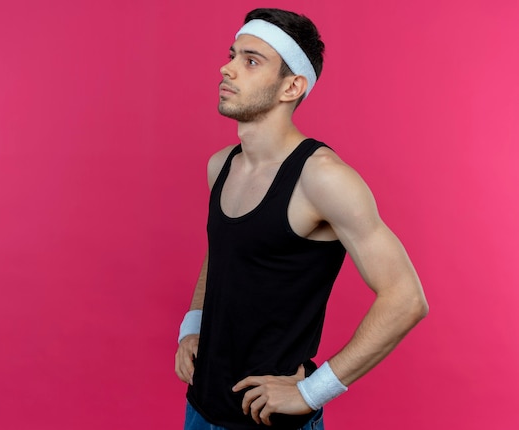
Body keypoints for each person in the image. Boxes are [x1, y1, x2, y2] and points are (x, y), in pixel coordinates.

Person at [174, 8, 428, 430]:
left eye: (251, 61)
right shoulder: (221, 165)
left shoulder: (323, 178)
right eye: (233, 54)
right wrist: (193, 324)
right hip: (201, 405)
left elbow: (406, 298)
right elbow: (221, 250)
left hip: (271, 418)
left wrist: (313, 391)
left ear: (291, 86)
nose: (227, 67)